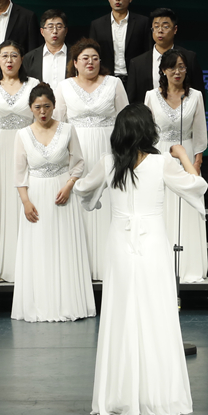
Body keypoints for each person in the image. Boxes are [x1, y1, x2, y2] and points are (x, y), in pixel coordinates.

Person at [76, 104, 207, 415]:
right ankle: (156, 393)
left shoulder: (109, 163)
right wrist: (183, 156)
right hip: (152, 242)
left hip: (120, 241)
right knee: (154, 310)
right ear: (149, 131)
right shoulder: (162, 163)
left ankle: (120, 393)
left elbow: (83, 190)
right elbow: (197, 186)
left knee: (121, 313)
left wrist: (96, 201)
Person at [12, 85, 95, 322]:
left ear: (54, 106)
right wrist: (25, 202)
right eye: (37, 107)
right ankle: (40, 303)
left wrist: (69, 186)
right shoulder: (22, 135)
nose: (42, 112)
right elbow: (19, 173)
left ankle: (67, 302)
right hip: (36, 196)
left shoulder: (68, 129)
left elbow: (79, 163)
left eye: (47, 106)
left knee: (64, 246)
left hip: (62, 194)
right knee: (39, 247)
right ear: (31, 108)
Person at [55, 38, 130, 280]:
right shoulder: (64, 86)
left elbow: (125, 121)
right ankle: (80, 266)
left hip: (109, 151)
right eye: (85, 58)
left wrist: (123, 154)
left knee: (109, 204)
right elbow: (58, 125)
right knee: (79, 205)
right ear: (75, 62)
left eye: (95, 58)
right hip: (77, 153)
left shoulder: (114, 83)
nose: (90, 62)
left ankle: (110, 265)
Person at [0, 40, 40, 282]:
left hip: (28, 150)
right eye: (4, 56)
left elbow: (41, 119)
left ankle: (27, 266)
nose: (9, 60)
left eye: (14, 55)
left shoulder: (33, 84)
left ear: (22, 59)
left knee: (26, 201)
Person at [146, 48, 208, 282]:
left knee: (187, 207)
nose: (177, 72)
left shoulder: (195, 96)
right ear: (163, 70)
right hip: (159, 156)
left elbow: (200, 132)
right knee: (161, 208)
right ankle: (160, 266)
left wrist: (197, 160)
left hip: (187, 155)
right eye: (172, 67)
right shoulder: (151, 96)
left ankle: (189, 266)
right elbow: (147, 132)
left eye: (181, 67)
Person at [127, 8, 201, 105]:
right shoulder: (137, 63)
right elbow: (132, 101)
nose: (160, 30)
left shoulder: (189, 58)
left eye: (165, 27)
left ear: (175, 29)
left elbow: (199, 96)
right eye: (156, 27)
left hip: (182, 112)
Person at [88, 0, 151, 82]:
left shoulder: (142, 22)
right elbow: (92, 53)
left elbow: (148, 52)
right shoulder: (97, 25)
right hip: (106, 79)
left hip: (136, 79)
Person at [23, 10, 73, 84]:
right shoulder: (30, 58)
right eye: (50, 27)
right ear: (42, 31)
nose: (55, 31)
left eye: (59, 27)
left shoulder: (76, 55)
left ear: (66, 31)